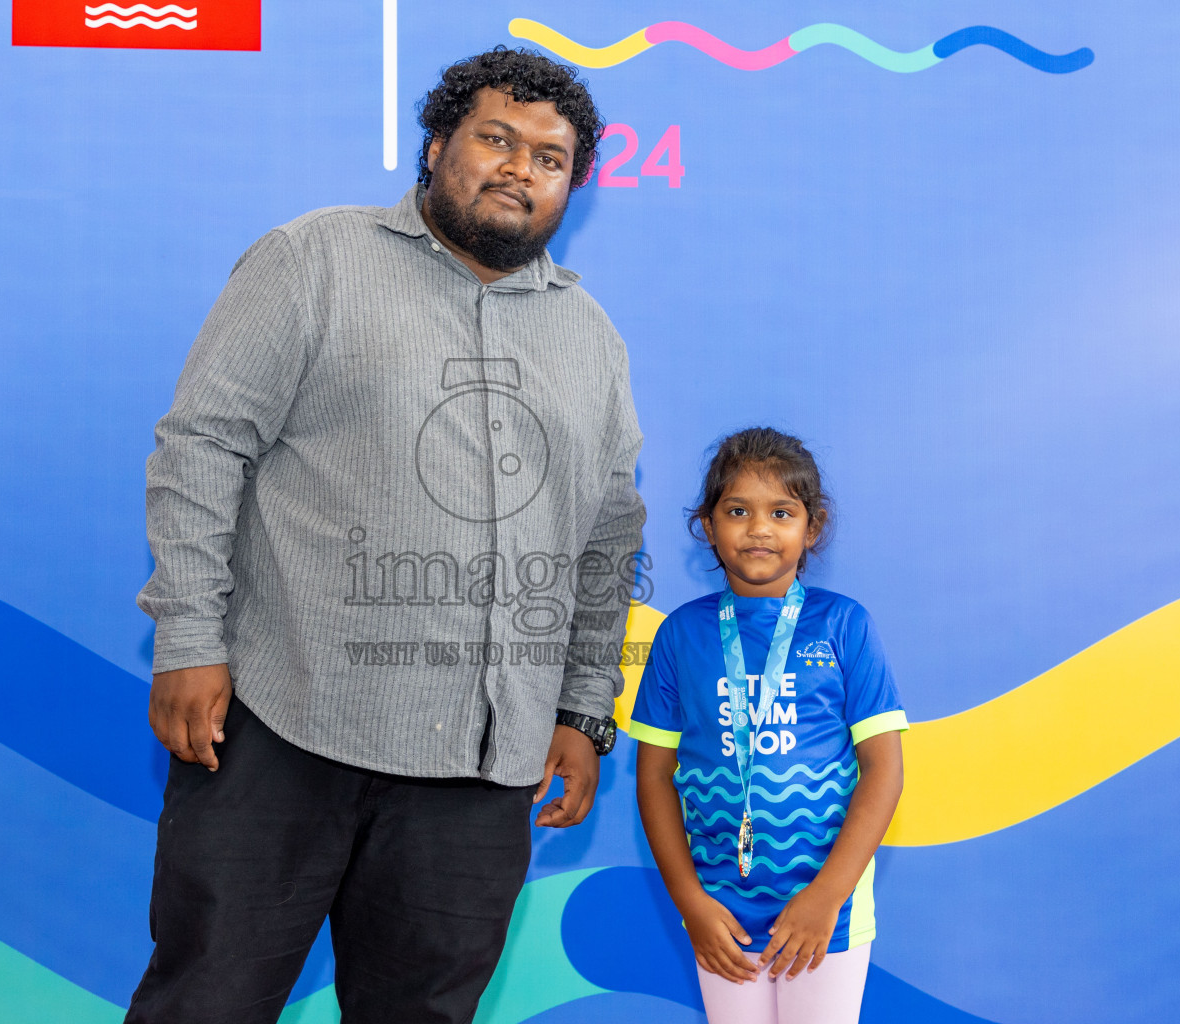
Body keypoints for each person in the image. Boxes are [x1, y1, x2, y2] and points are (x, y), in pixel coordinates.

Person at [126, 48, 646, 1024]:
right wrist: (189, 640)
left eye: (549, 157)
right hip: (283, 728)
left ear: (571, 185)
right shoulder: (312, 261)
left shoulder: (592, 340)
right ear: (438, 143)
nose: (518, 168)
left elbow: (606, 541)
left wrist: (582, 712)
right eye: (496, 138)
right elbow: (202, 447)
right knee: (206, 1003)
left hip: (479, 770)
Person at [629, 428, 906, 1024]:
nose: (759, 527)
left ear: (813, 527)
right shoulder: (681, 634)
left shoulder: (844, 625)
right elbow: (652, 777)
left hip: (824, 915)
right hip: (720, 918)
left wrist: (827, 896)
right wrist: (690, 903)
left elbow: (884, 770)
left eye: (781, 511)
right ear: (707, 526)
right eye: (737, 511)